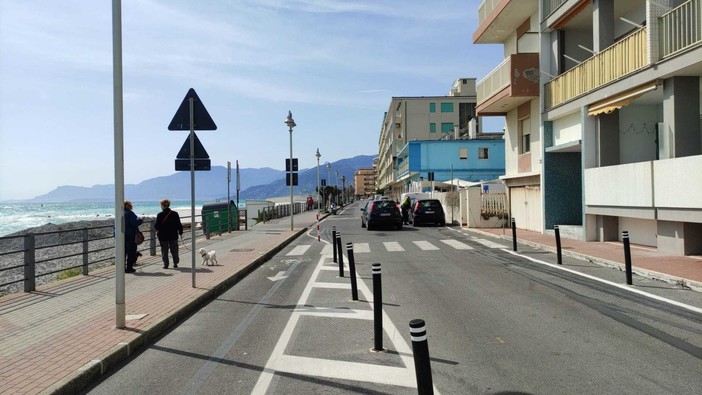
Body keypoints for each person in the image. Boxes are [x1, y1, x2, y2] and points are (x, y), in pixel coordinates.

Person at [154, 199, 183, 269]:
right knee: (174, 250)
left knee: (164, 250)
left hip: (163, 236)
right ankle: (175, 263)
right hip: (173, 235)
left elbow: (157, 226)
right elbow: (179, 224)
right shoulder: (175, 214)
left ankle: (165, 264)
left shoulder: (160, 215)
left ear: (162, 206)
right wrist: (180, 232)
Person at [124, 200, 143, 273]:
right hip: (131, 235)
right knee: (131, 252)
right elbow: (134, 222)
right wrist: (140, 220)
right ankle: (129, 268)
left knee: (123, 252)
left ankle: (122, 268)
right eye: (130, 205)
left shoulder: (119, 213)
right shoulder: (130, 213)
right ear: (127, 206)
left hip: (122, 235)